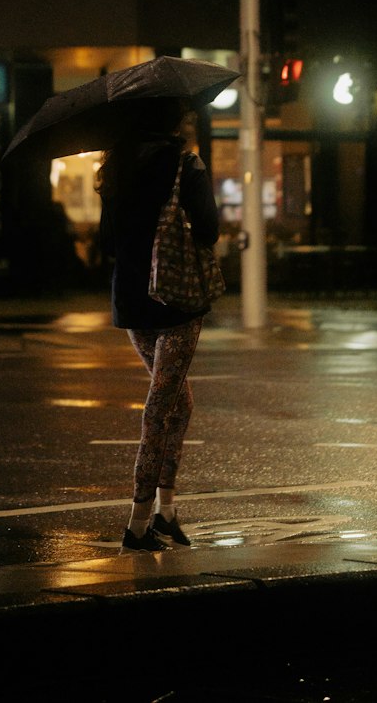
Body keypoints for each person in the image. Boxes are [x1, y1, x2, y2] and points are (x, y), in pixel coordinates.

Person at [97, 96, 220, 553]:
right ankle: (137, 522)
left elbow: (106, 241)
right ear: (172, 119)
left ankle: (166, 512)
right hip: (176, 299)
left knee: (179, 402)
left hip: (131, 301)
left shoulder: (115, 168)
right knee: (160, 406)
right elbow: (209, 229)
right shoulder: (184, 165)